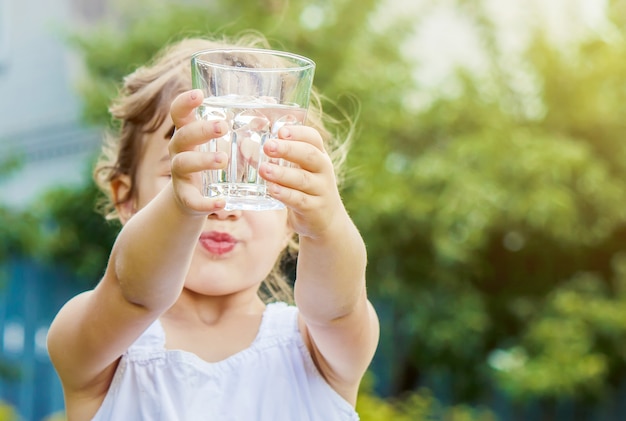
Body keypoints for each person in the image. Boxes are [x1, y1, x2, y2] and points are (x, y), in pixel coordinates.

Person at [47, 34, 379, 421]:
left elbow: (339, 307)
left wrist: (327, 225)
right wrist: (181, 206)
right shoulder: (100, 345)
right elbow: (134, 292)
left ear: (292, 216)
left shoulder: (318, 348)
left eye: (254, 173)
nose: (222, 209)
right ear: (127, 199)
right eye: (193, 168)